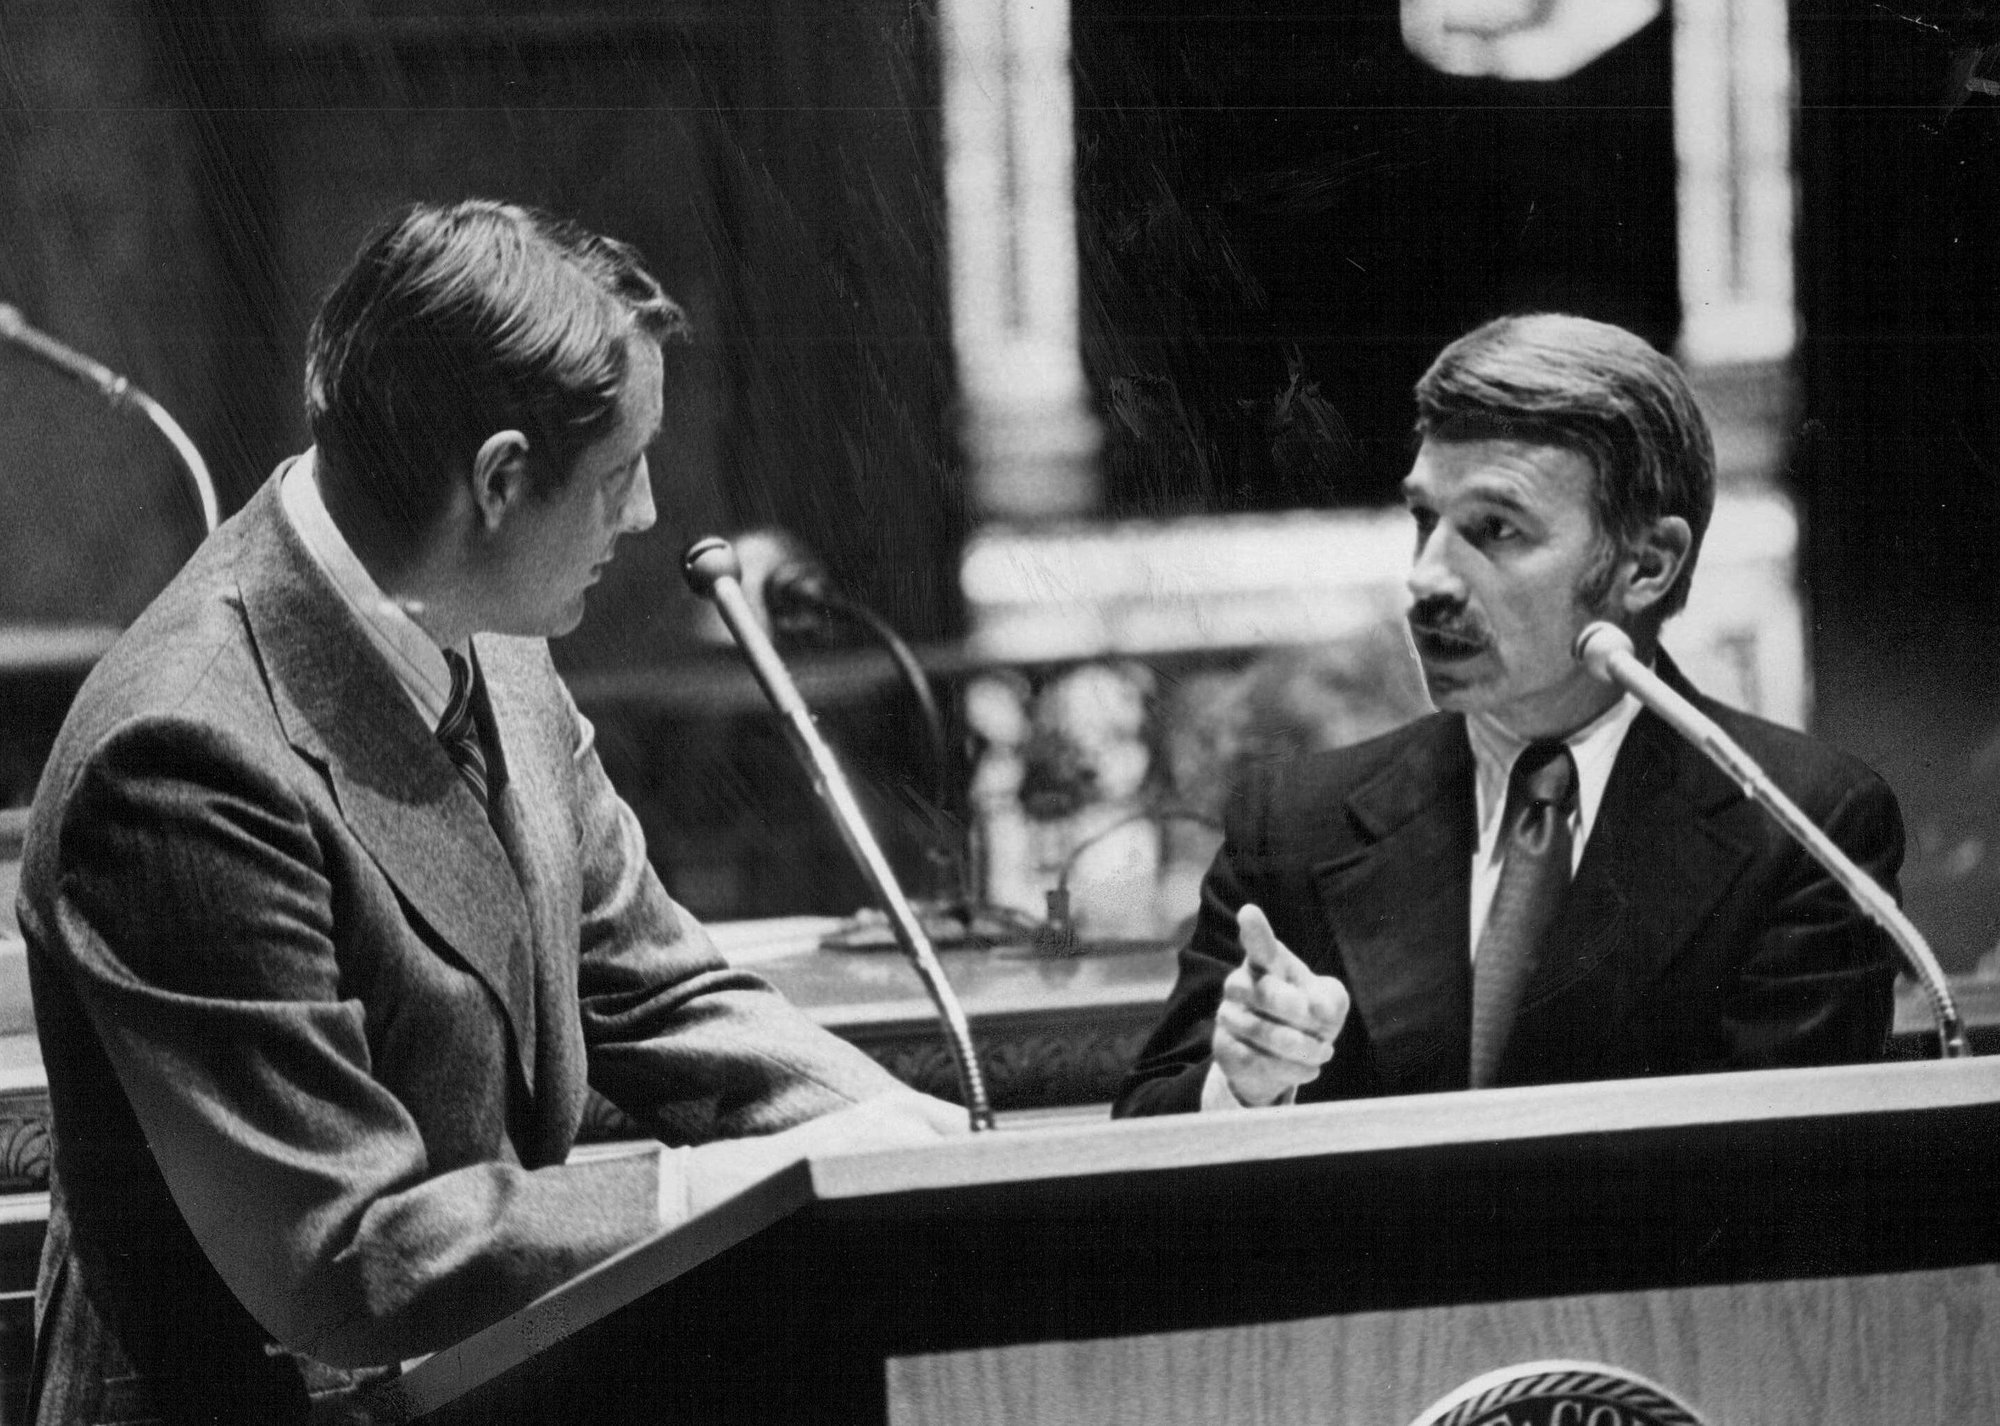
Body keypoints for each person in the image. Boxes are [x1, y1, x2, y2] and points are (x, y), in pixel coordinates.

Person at [16, 199, 961, 1423]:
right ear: (501, 480)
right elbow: (346, 1250)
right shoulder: (181, 752)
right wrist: (754, 1180)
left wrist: (918, 1142)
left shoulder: (487, 633)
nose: (648, 516)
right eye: (622, 473)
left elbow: (654, 989)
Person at [1115, 313, 1903, 1117]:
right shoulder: (1292, 822)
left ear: (1647, 565)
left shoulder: (1806, 829)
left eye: (1493, 530)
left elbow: (1789, 1188)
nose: (1427, 578)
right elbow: (1146, 1132)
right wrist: (1245, 1088)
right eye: (1425, 520)